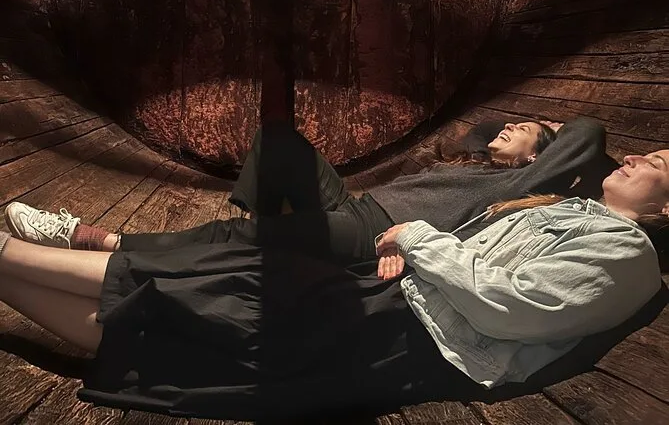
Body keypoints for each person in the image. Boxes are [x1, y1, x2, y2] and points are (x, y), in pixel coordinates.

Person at [0, 150, 665, 419]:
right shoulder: (567, 213)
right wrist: (411, 250)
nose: (637, 156)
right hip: (396, 297)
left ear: (667, 209)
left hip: (414, 339)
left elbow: (511, 308)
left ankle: (11, 255)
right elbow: (475, 269)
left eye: (659, 161)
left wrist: (414, 238)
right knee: (219, 285)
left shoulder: (626, 253)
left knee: (204, 318)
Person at [4, 118, 612, 265]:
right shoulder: (474, 163)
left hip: (372, 234)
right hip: (353, 208)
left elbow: (588, 133)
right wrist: (514, 133)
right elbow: (480, 129)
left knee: (238, 237)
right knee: (279, 141)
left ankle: (95, 239)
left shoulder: (520, 182)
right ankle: (255, 239)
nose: (506, 129)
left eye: (523, 130)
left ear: (540, 157)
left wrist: (551, 128)